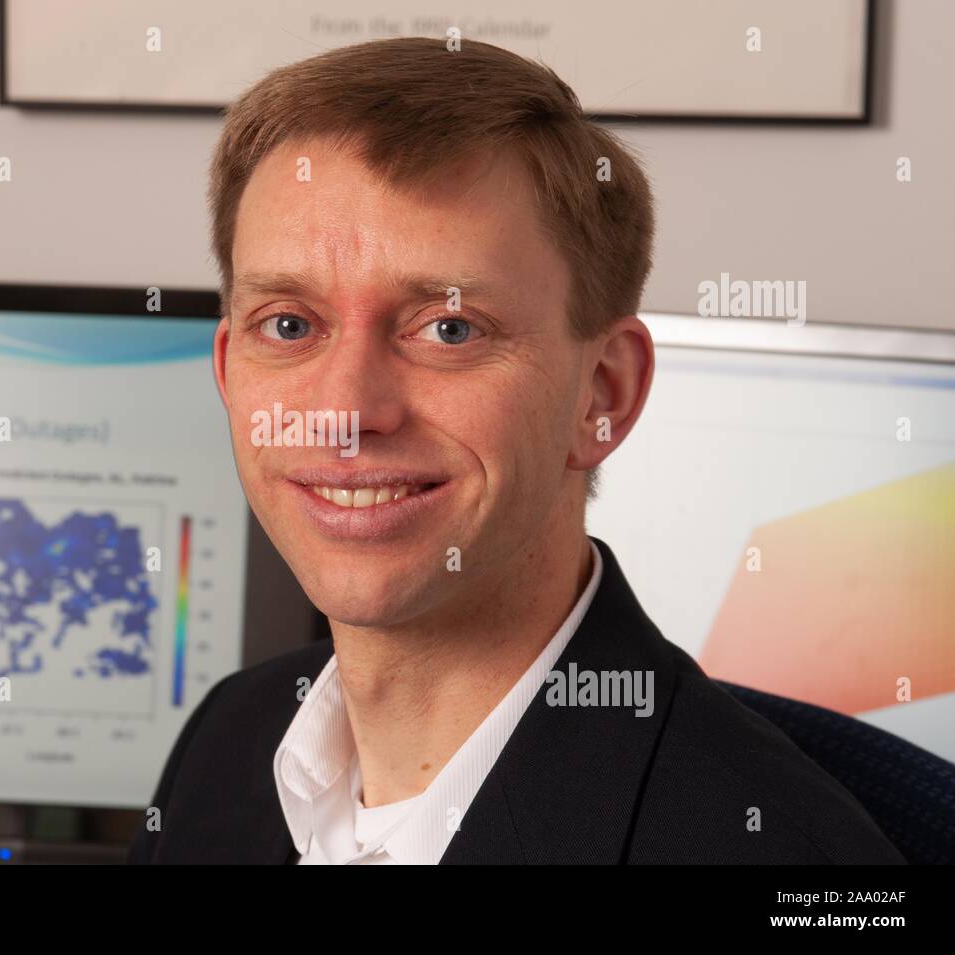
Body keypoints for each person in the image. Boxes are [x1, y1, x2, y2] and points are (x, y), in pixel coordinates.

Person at [128, 37, 902, 864]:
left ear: (602, 393)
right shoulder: (226, 744)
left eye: (450, 329)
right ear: (225, 370)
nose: (345, 412)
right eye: (288, 325)